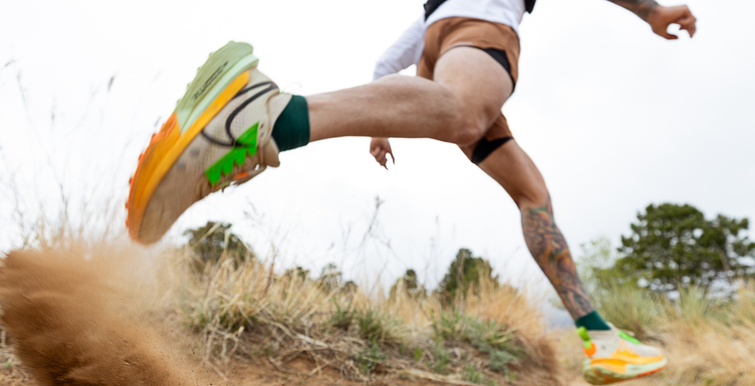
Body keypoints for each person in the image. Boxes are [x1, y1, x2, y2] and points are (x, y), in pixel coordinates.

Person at [125, 0, 696, 383]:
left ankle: (597, 334)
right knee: (465, 115)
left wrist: (381, 123)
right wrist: (651, 10)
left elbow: (391, 58)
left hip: (439, 50)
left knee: (531, 192)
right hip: (481, 41)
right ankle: (270, 117)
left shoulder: (435, 7)